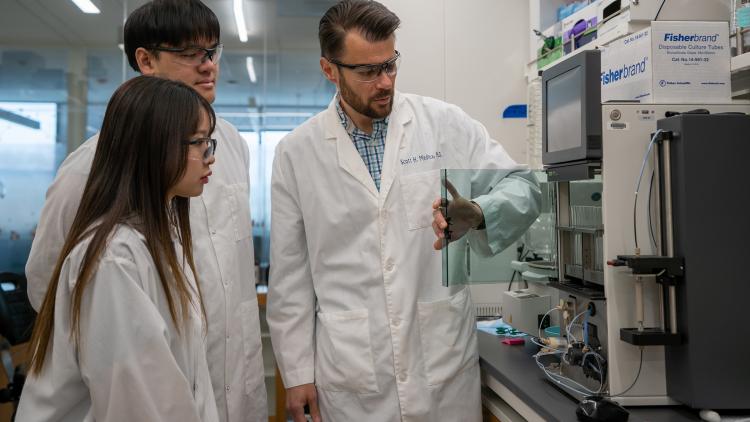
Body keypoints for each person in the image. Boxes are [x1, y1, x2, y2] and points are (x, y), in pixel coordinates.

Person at [266, 1, 541, 421]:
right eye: (367, 71)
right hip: (352, 376)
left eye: (390, 65)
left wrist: (482, 211)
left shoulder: (443, 124)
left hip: (442, 365)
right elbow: (290, 275)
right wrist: (297, 374)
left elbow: (524, 186)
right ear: (329, 70)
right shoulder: (296, 153)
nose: (385, 82)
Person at [24, 2, 267, 421]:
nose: (209, 66)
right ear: (145, 59)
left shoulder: (231, 144)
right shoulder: (90, 168)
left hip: (226, 386)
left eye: (213, 51)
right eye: (192, 53)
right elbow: (51, 283)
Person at [17, 75, 219, 421]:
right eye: (199, 143)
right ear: (155, 148)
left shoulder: (157, 238)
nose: (210, 157)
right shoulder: (114, 260)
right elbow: (136, 403)